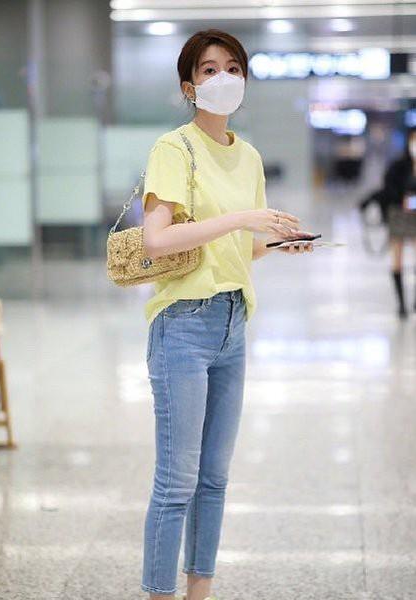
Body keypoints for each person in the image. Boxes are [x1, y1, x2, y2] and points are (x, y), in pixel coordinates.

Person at [140, 29, 315, 600]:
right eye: (209, 69)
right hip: (182, 325)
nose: (224, 78)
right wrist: (242, 219)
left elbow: (244, 248)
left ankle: (200, 593)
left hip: (233, 323)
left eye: (233, 67)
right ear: (189, 87)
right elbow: (156, 241)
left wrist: (281, 243)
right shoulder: (175, 149)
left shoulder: (250, 156)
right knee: (177, 481)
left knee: (214, 479)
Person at [360, 127, 416, 318]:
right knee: (397, 259)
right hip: (399, 216)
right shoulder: (398, 166)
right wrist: (402, 199)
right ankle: (401, 304)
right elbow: (388, 189)